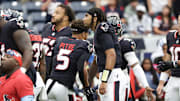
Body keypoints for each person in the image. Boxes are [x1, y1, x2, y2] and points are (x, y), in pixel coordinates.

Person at [107, 15, 154, 100]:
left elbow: (135, 66)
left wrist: (145, 85)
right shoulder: (101, 44)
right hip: (105, 79)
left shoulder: (124, 44)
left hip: (118, 78)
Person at [46, 20, 94, 101]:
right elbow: (81, 69)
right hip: (63, 87)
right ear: (84, 33)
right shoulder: (84, 45)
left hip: (49, 84)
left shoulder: (60, 40)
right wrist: (87, 88)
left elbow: (50, 63)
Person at [0, 9, 36, 85]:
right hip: (7, 78)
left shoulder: (12, 26)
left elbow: (28, 50)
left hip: (23, 76)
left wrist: (21, 72)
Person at [42, 4, 75, 78]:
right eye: (54, 12)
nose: (53, 15)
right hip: (42, 71)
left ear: (66, 18)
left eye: (57, 13)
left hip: (57, 74)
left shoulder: (70, 33)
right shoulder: (47, 27)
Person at [157, 24, 180, 101]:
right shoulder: (171, 36)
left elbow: (171, 63)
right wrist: (161, 83)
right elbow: (167, 62)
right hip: (174, 77)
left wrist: (174, 64)